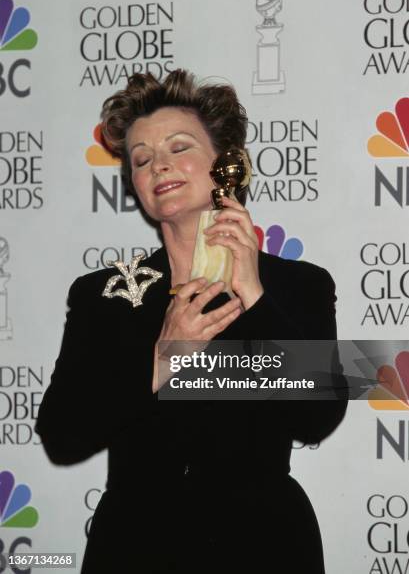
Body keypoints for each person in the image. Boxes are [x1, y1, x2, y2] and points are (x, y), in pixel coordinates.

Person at [35, 69, 347, 573]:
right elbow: (62, 434)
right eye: (141, 158)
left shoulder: (301, 286)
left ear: (225, 162)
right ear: (134, 182)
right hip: (135, 547)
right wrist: (161, 362)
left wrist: (254, 294)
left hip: (265, 547)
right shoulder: (101, 295)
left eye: (179, 147)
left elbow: (320, 416)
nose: (159, 165)